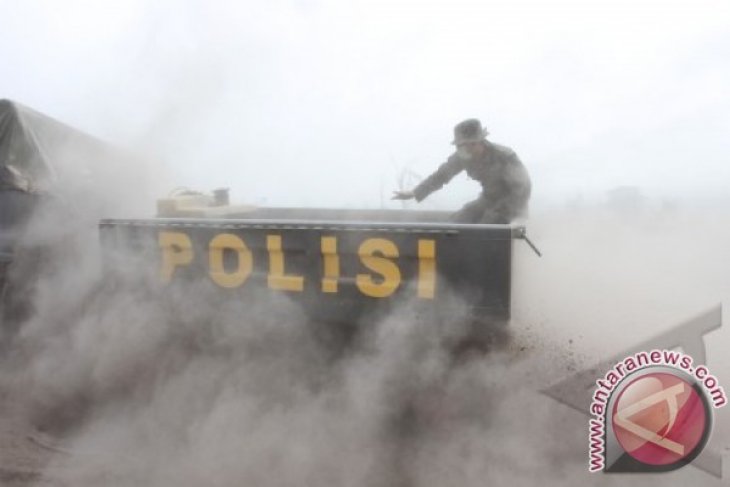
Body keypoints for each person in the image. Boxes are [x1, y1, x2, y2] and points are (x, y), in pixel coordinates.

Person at [392, 119, 531, 224]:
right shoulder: (463, 157)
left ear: (481, 141)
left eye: (472, 144)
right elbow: (441, 176)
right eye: (463, 145)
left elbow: (523, 187)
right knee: (458, 222)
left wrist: (508, 213)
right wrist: (415, 192)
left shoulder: (504, 156)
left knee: (487, 228)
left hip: (510, 204)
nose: (468, 148)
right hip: (488, 199)